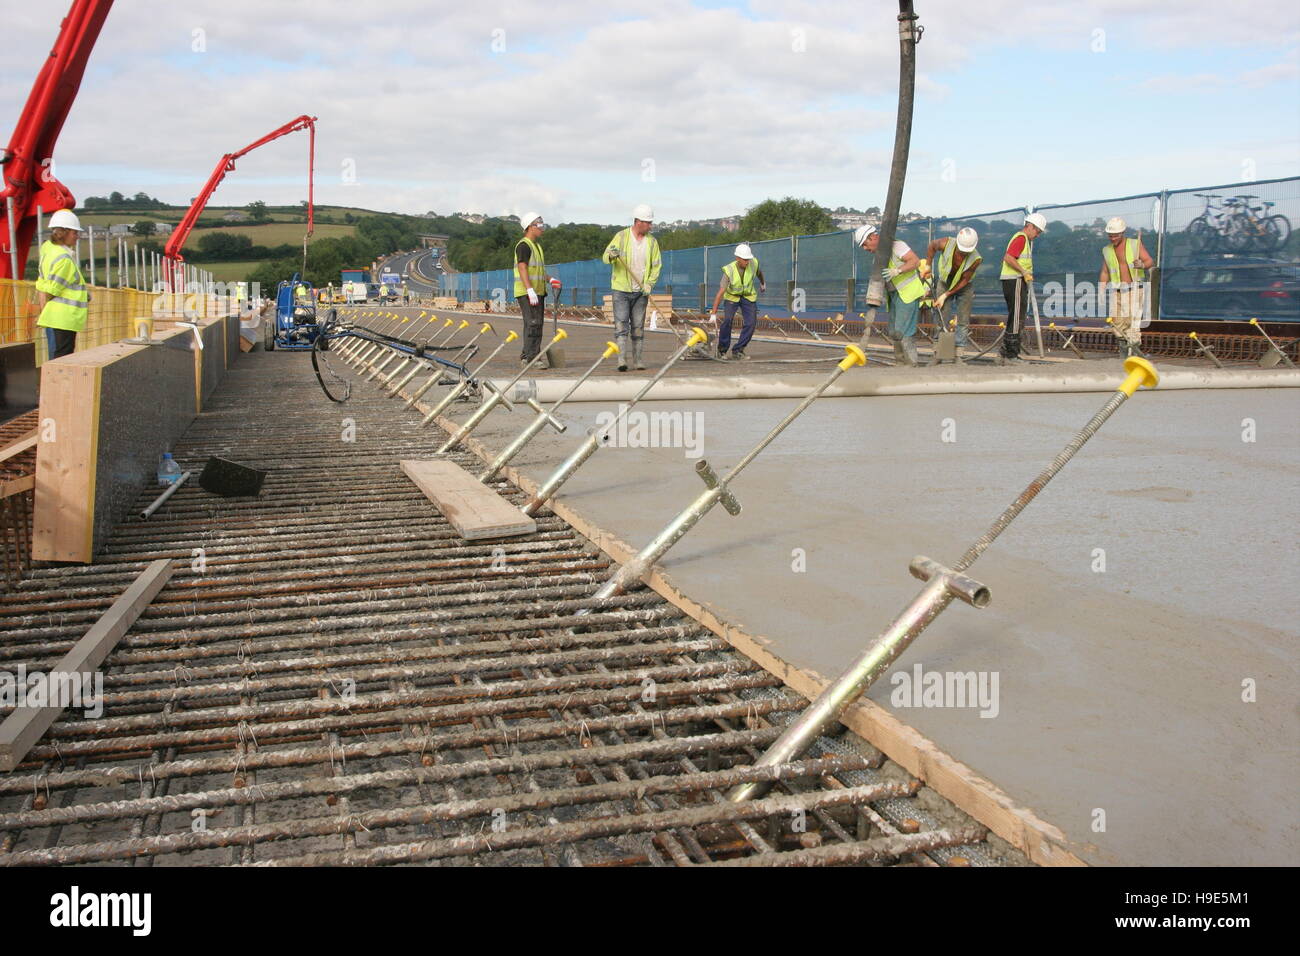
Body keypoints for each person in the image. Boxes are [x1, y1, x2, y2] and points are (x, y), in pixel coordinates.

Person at [602, 204, 662, 371]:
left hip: (641, 291)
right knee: (621, 325)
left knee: (638, 325)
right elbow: (605, 257)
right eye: (647, 222)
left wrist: (649, 284)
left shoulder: (652, 242)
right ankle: (621, 360)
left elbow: (656, 265)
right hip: (621, 289)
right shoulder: (621, 237)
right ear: (638, 222)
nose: (650, 226)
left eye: (650, 223)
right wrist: (612, 255)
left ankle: (638, 360)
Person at [855, 224, 924, 365]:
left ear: (873, 237)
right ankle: (900, 362)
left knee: (903, 329)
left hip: (908, 293)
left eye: (865, 244)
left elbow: (915, 261)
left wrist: (897, 271)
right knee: (893, 330)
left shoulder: (897, 246)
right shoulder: (879, 257)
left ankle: (911, 363)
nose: (865, 249)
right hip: (894, 295)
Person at [35, 209, 89, 360]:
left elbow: (46, 285)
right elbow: (52, 290)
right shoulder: (64, 259)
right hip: (63, 318)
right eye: (74, 233)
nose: (77, 237)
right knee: (62, 359)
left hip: (54, 317)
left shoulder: (48, 250)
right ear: (63, 233)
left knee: (56, 357)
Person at [1098, 216, 1154, 358]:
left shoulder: (1135, 245)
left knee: (1132, 323)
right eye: (1110, 236)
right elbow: (1105, 271)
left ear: (1122, 233)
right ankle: (1124, 352)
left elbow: (1149, 261)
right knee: (1116, 323)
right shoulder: (1107, 250)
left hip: (1134, 289)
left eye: (1115, 236)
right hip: (1117, 290)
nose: (1112, 238)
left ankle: (1135, 354)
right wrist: (1101, 289)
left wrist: (1142, 264)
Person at [925, 227, 982, 349]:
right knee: (941, 315)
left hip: (964, 285)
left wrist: (945, 295)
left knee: (963, 318)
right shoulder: (946, 243)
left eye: (966, 251)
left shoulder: (976, 259)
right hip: (945, 282)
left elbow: (965, 280)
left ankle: (959, 352)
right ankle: (939, 350)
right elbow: (932, 246)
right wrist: (928, 266)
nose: (963, 253)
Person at [1000, 212, 1046, 362]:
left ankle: (1004, 352)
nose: (1037, 235)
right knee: (1017, 317)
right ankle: (1011, 354)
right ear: (1030, 226)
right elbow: (1008, 257)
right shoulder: (1021, 238)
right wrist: (1024, 271)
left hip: (1015, 280)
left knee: (1016, 316)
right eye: (1037, 231)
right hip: (1015, 280)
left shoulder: (1023, 239)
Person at [708, 243, 765, 360]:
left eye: (748, 259)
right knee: (727, 321)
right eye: (745, 259)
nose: (747, 262)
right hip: (732, 297)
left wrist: (763, 283)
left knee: (751, 323)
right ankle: (721, 350)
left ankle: (738, 350)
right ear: (737, 258)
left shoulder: (753, 263)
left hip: (748, 297)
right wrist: (713, 313)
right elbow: (720, 293)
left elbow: (759, 273)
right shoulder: (729, 270)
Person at [513, 212, 555, 364]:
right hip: (528, 292)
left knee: (534, 323)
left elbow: (538, 271)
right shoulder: (524, 246)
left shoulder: (536, 246)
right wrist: (529, 290)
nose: (542, 228)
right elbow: (522, 268)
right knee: (533, 323)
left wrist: (551, 279)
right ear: (530, 227)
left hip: (537, 291)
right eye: (539, 225)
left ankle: (527, 355)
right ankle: (533, 357)